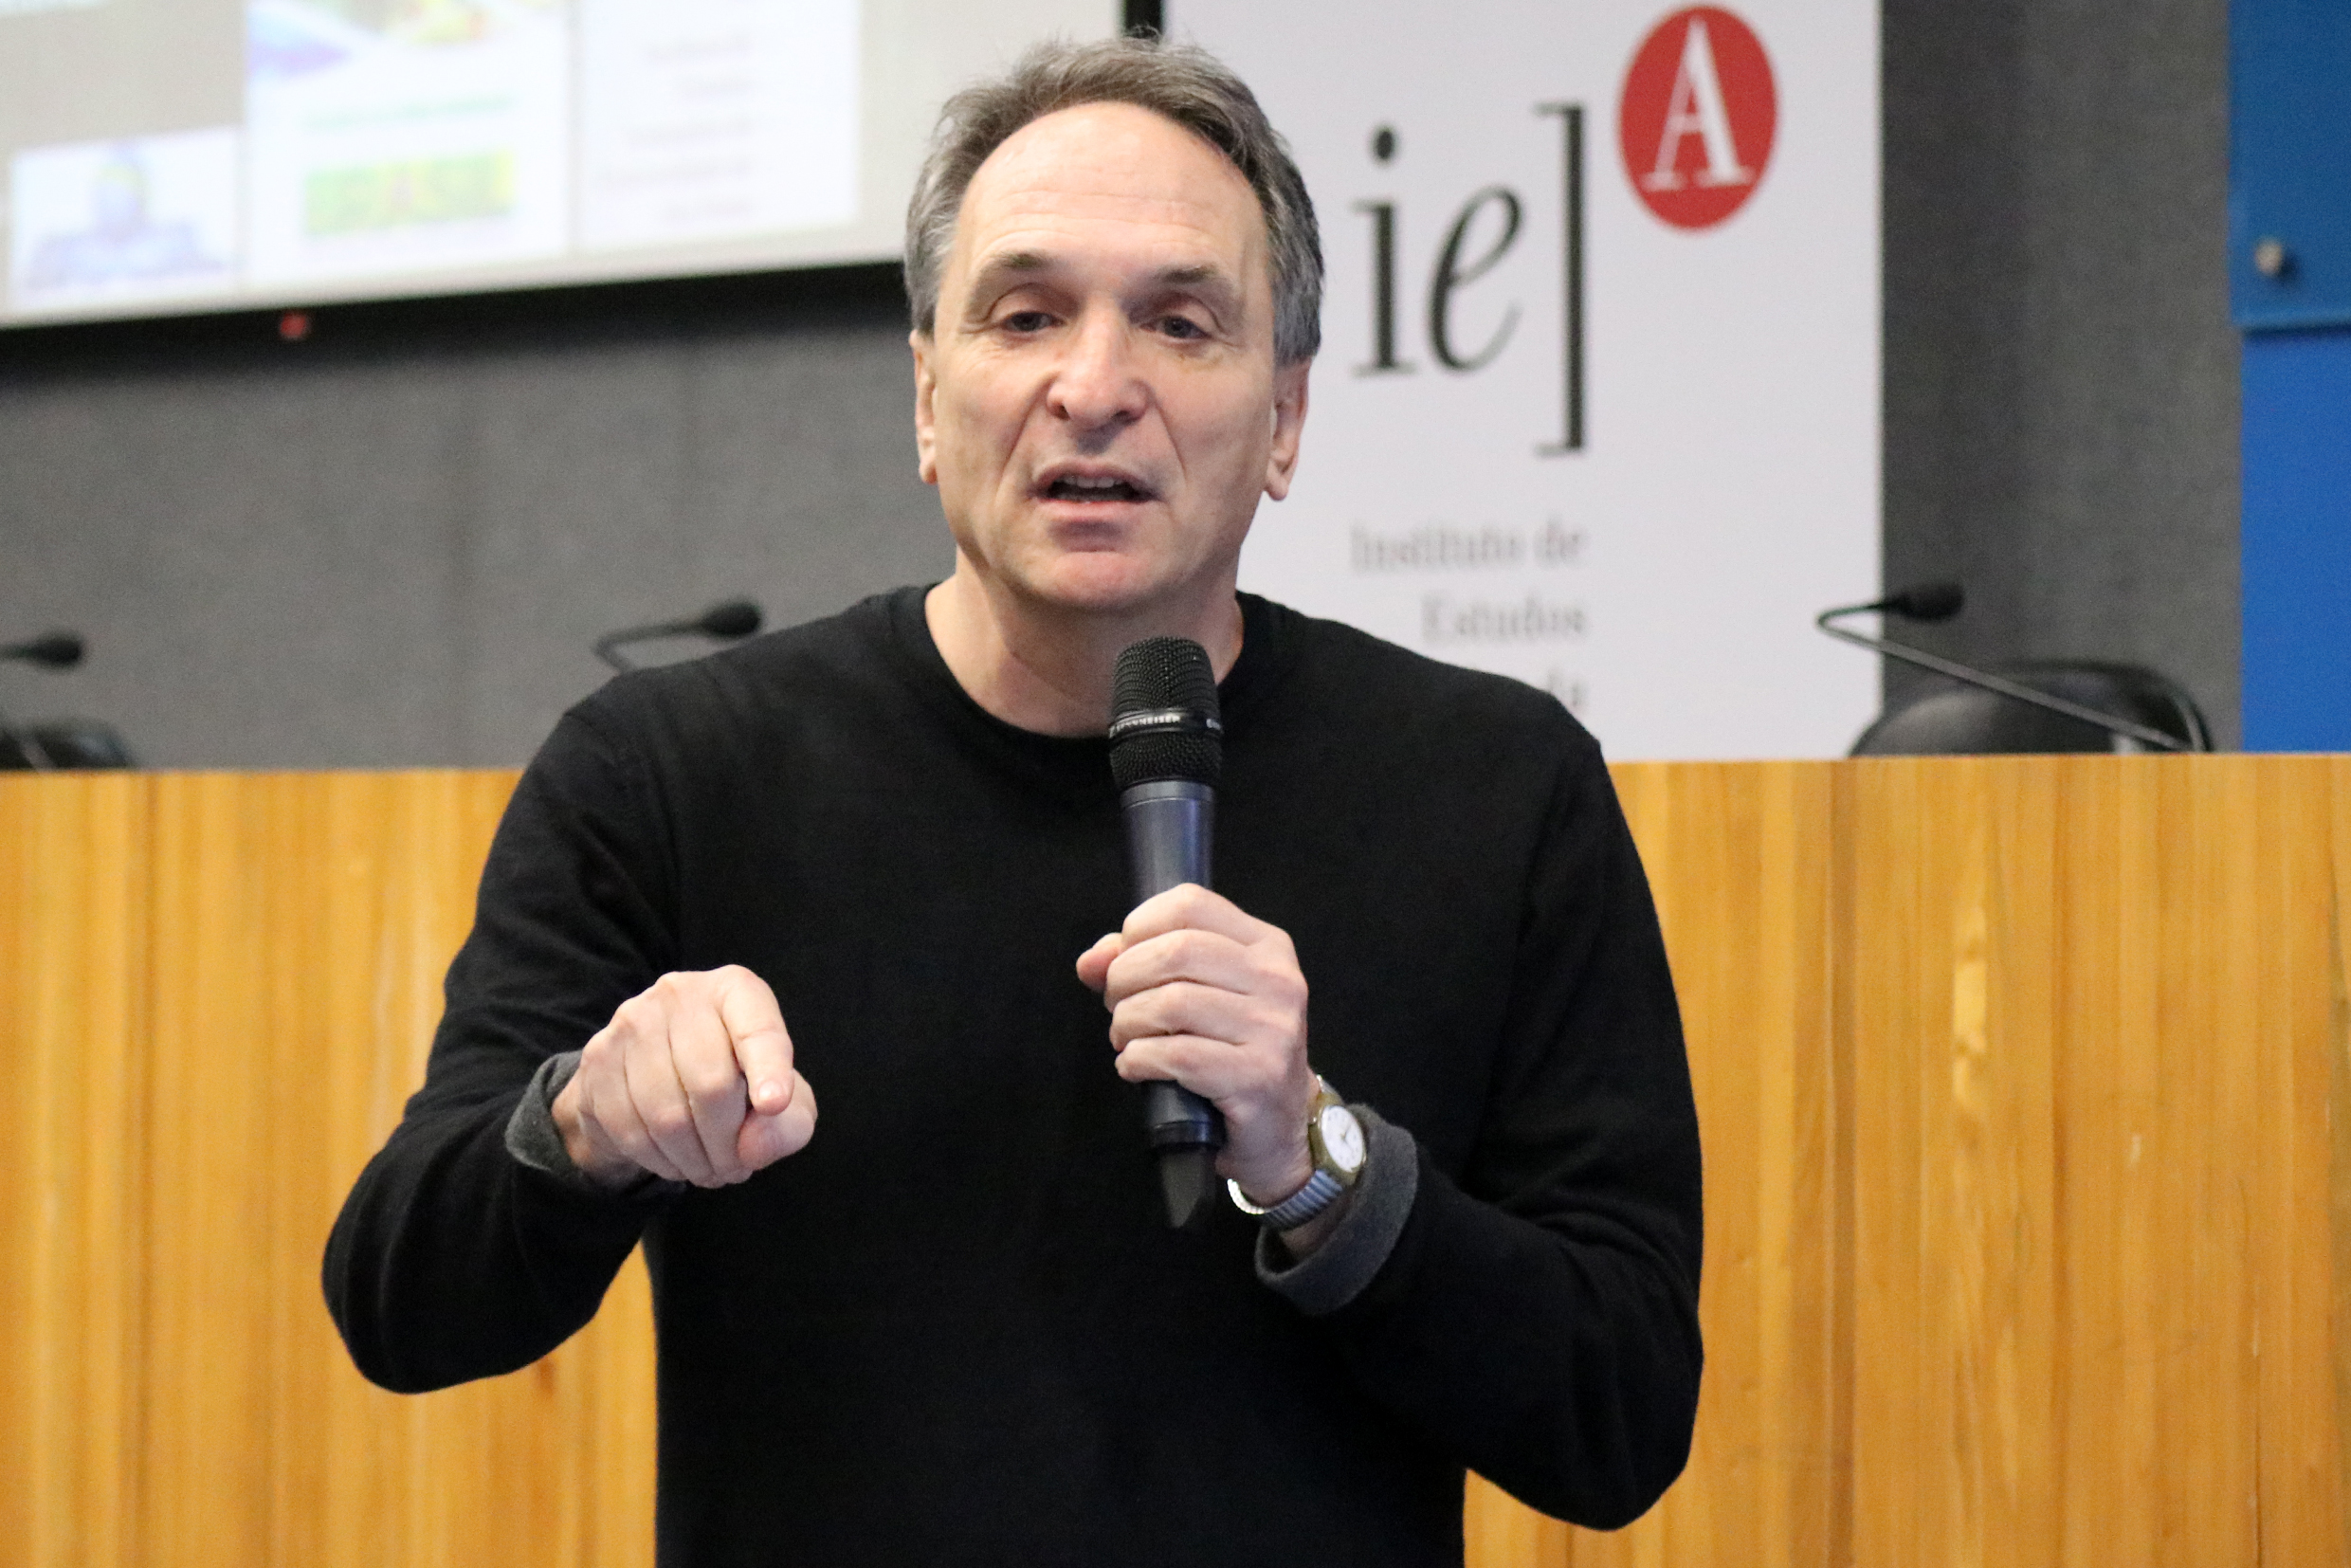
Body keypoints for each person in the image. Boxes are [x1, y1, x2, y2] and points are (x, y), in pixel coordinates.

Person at [325, 34, 1703, 1567]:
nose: (1093, 389)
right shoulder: (667, 775)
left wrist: (1320, 1162)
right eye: (1026, 314)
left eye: (1180, 322)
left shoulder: (1497, 785)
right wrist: (585, 1124)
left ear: (1286, 415)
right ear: (929, 396)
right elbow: (399, 1301)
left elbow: (1622, 1412)